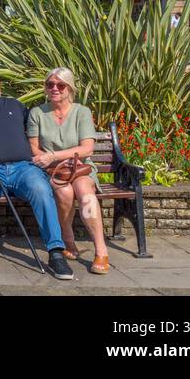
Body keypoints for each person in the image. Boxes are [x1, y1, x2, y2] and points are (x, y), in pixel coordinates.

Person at [0, 67, 74, 279]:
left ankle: (55, 252)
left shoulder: (16, 106)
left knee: (40, 187)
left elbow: (40, 134)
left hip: (23, 169)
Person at [28, 67, 110, 274]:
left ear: (69, 87)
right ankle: (68, 238)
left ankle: (101, 250)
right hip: (52, 170)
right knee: (64, 193)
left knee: (86, 195)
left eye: (60, 85)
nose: (55, 88)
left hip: (80, 167)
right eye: (50, 85)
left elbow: (87, 148)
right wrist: (48, 161)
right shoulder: (37, 113)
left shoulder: (82, 112)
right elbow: (34, 148)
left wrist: (54, 155)